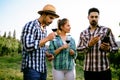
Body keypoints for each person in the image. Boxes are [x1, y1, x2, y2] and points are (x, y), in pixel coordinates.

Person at [77, 7, 118, 80]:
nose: (94, 18)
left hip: (104, 70)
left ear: (99, 17)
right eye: (92, 17)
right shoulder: (83, 33)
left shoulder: (106, 30)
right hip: (88, 70)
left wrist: (108, 49)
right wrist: (89, 45)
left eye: (96, 17)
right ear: (88, 17)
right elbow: (79, 50)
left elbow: (115, 48)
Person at [21, 4, 59, 80]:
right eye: (50, 18)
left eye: (53, 19)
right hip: (31, 68)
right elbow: (27, 46)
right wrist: (47, 38)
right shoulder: (31, 25)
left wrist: (47, 54)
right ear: (44, 14)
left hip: (42, 69)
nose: (51, 21)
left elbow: (41, 46)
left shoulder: (44, 29)